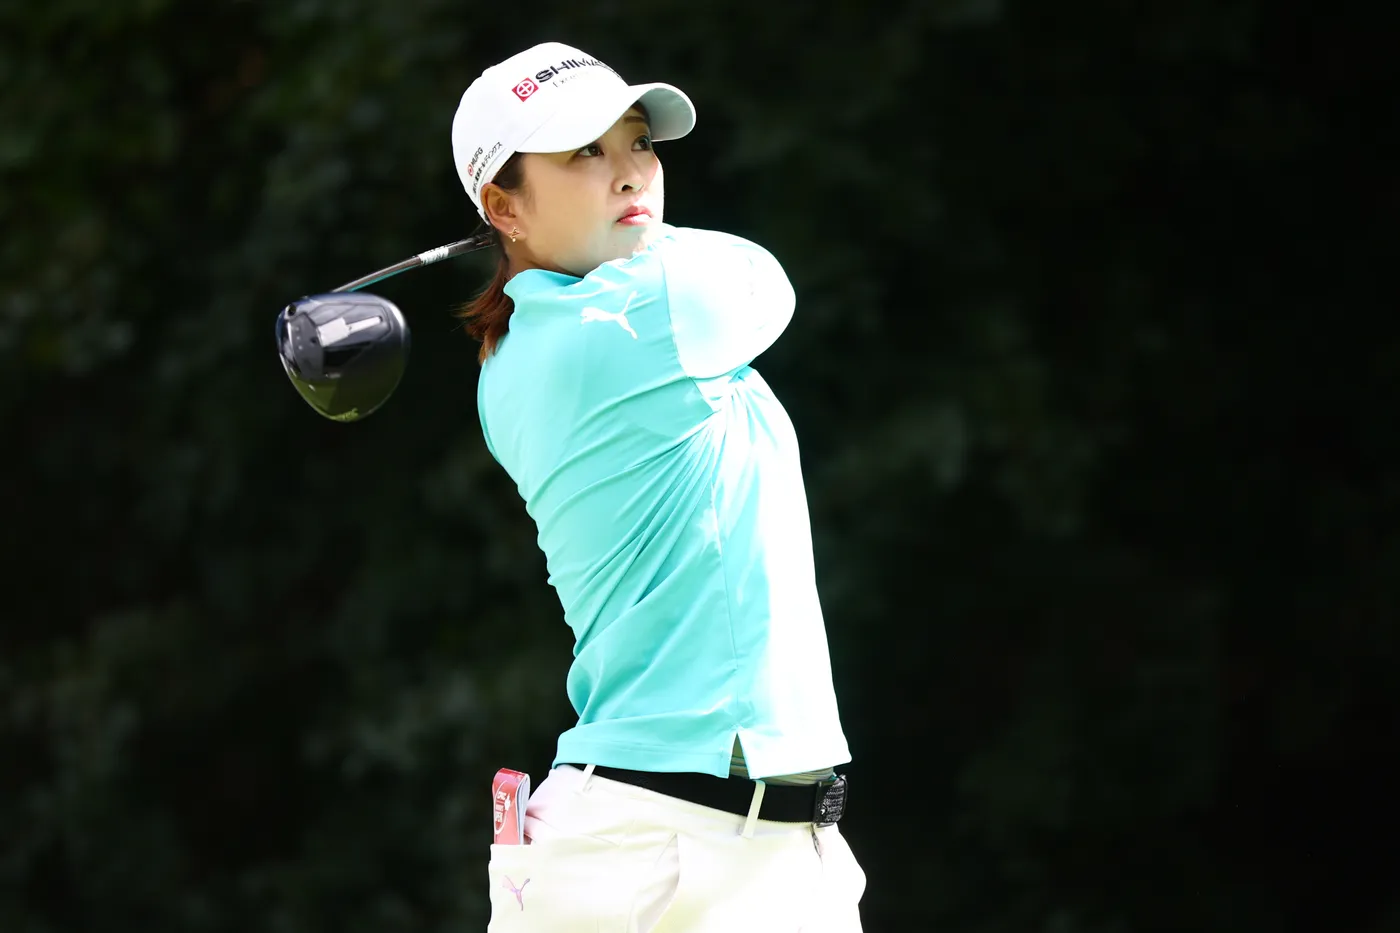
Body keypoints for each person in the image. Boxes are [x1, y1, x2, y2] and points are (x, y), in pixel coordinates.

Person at [451, 41, 867, 932]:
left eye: (638, 142)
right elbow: (767, 277)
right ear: (502, 205)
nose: (630, 172)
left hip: (693, 837)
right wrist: (635, 234)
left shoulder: (516, 356)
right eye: (584, 153)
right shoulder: (647, 314)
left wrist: (567, 231)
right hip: (670, 846)